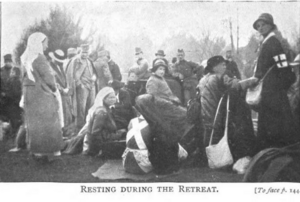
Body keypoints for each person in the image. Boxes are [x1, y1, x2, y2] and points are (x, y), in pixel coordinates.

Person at [252, 13, 300, 152]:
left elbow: (283, 67)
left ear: (271, 25)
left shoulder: (273, 42)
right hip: (270, 91)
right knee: (272, 125)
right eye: (258, 26)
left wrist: (279, 87)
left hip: (274, 92)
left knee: (276, 126)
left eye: (263, 25)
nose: (260, 28)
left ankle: (275, 154)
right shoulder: (266, 42)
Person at [135, 59, 191, 175]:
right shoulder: (152, 80)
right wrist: (170, 102)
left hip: (168, 105)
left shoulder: (161, 79)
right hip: (161, 109)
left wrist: (174, 100)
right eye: (159, 69)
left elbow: (168, 93)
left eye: (163, 69)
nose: (162, 71)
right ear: (154, 70)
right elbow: (152, 98)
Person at [199, 56, 257, 166]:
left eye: (224, 63)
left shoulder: (203, 79)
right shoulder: (219, 77)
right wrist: (252, 81)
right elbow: (235, 85)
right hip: (216, 114)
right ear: (214, 68)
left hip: (206, 114)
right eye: (221, 64)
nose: (224, 65)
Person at [21, 32, 64, 163]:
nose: (46, 46)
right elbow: (49, 78)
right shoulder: (40, 58)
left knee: (35, 123)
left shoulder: (25, 58)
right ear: (38, 44)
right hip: (42, 94)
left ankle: (37, 151)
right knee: (48, 122)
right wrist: (55, 90)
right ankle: (48, 151)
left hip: (30, 94)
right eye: (44, 43)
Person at [63, 87, 127, 156]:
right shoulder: (102, 112)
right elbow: (95, 133)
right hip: (101, 142)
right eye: (110, 98)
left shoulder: (107, 109)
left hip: (104, 137)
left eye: (114, 97)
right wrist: (98, 149)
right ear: (103, 99)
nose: (113, 100)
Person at [66, 43, 97, 133]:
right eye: (83, 52)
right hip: (82, 88)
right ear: (80, 51)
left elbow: (93, 71)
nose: (85, 54)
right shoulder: (76, 60)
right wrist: (80, 85)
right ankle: (79, 129)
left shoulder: (89, 60)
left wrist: (94, 77)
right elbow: (72, 74)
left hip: (91, 86)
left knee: (91, 107)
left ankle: (89, 127)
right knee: (81, 109)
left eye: (87, 52)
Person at [49, 50, 73, 128]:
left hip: (64, 94)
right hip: (57, 95)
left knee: (66, 114)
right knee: (60, 116)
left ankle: (66, 130)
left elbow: (65, 79)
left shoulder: (60, 66)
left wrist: (67, 88)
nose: (61, 62)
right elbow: (53, 83)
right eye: (58, 61)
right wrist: (63, 90)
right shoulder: (50, 68)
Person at [1, 54, 15, 122]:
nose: (8, 63)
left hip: (13, 99)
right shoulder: (1, 71)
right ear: (5, 62)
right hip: (3, 99)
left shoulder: (15, 71)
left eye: (10, 61)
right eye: (7, 61)